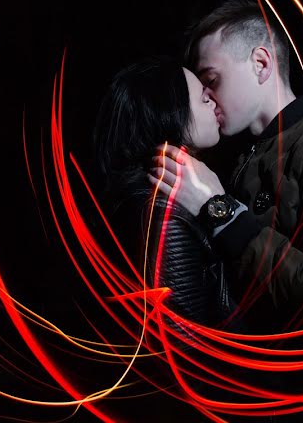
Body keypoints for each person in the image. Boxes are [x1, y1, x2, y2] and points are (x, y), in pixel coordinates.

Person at [149, 0, 303, 418]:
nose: (206, 97)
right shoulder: (247, 157)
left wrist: (219, 209)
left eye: (212, 79)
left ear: (262, 64)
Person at [92, 55, 241, 333]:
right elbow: (184, 349)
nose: (212, 98)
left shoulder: (159, 198)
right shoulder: (164, 214)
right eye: (199, 96)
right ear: (168, 112)